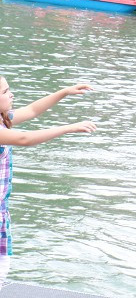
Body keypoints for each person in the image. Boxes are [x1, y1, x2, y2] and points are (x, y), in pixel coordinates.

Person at [0, 77, 96, 276]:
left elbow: (33, 110)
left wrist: (63, 92)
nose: (11, 94)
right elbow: (24, 139)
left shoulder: (3, 119)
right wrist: (69, 127)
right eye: (5, 91)